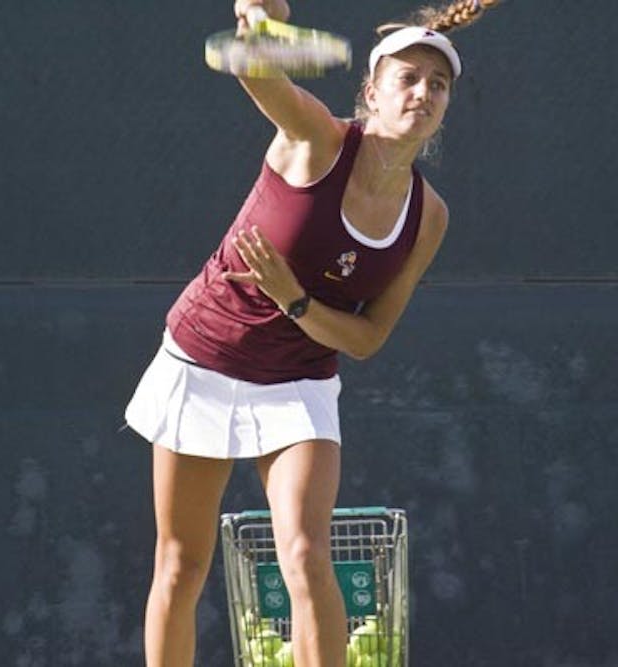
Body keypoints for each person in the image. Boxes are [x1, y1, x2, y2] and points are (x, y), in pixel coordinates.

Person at [124, 1, 494, 664]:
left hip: (299, 378)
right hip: (205, 357)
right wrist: (257, 26)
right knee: (181, 563)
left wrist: (294, 301)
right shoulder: (316, 140)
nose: (424, 93)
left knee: (304, 552)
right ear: (372, 93)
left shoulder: (428, 217)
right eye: (408, 78)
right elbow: (257, 75)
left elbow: (368, 337)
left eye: (438, 85)